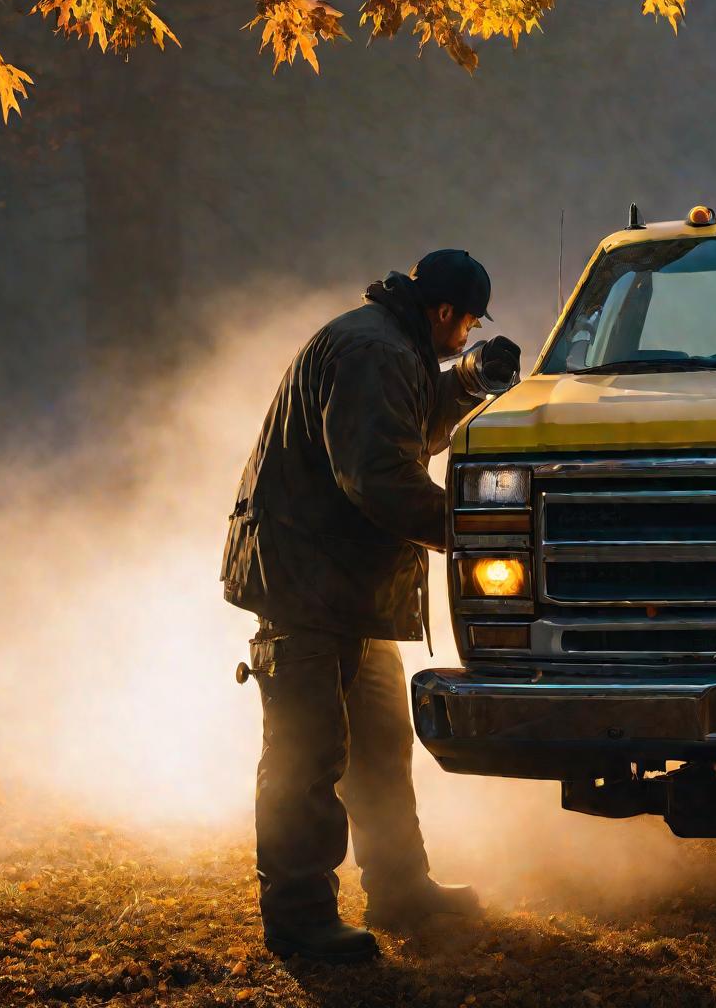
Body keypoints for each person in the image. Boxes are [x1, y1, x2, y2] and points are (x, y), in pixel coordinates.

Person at [220, 250, 521, 964]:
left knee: (381, 746)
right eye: (468, 325)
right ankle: (299, 921)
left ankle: (400, 889)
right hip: (310, 592)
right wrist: (478, 532)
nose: (465, 335)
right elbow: (381, 476)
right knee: (306, 757)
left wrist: (471, 380)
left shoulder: (390, 347)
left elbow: (407, 419)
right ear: (445, 311)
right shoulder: (372, 353)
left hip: (345, 590)